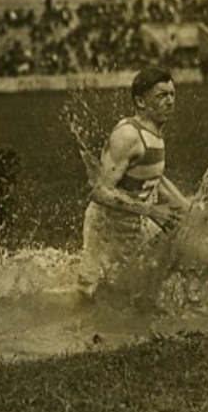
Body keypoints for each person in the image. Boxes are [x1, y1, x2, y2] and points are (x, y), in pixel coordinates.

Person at [78, 65, 192, 299]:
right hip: (106, 229)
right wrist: (151, 211)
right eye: (161, 96)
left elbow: (153, 178)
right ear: (141, 102)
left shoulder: (154, 132)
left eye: (172, 94)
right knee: (89, 295)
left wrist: (186, 207)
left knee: (154, 280)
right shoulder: (129, 136)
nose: (170, 102)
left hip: (133, 225)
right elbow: (98, 191)